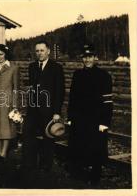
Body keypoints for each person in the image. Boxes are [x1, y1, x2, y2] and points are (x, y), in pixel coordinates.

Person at [67, 44, 113, 185]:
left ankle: (95, 176)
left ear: (95, 58)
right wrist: (70, 117)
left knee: (96, 147)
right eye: (85, 57)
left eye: (90, 57)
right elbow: (73, 98)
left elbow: (107, 101)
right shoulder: (77, 75)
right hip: (79, 118)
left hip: (96, 119)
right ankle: (79, 174)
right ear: (82, 58)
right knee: (79, 145)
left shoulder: (104, 76)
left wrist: (104, 122)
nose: (87, 60)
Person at [22, 40, 65, 171]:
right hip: (33, 109)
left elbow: (59, 91)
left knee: (48, 138)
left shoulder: (56, 68)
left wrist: (57, 112)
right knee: (29, 136)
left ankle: (46, 165)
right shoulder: (32, 66)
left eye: (42, 50)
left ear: (48, 51)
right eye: (37, 51)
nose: (39, 53)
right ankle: (30, 164)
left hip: (49, 110)